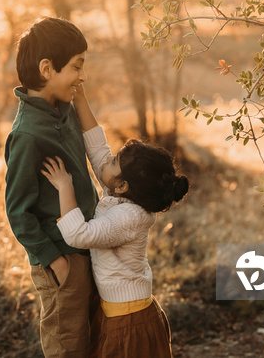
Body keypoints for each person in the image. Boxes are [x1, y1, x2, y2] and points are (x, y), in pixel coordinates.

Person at [41, 85, 189, 358]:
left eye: (114, 161)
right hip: (120, 313)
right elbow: (98, 150)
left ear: (121, 186)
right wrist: (81, 99)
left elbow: (78, 235)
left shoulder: (129, 217)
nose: (105, 161)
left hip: (129, 321)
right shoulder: (123, 194)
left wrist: (64, 186)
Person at [4, 17, 100, 358]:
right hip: (62, 261)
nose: (82, 76)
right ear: (47, 69)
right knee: (68, 346)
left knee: (95, 341)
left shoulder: (65, 110)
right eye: (76, 67)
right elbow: (18, 212)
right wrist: (54, 260)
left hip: (89, 246)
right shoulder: (28, 135)